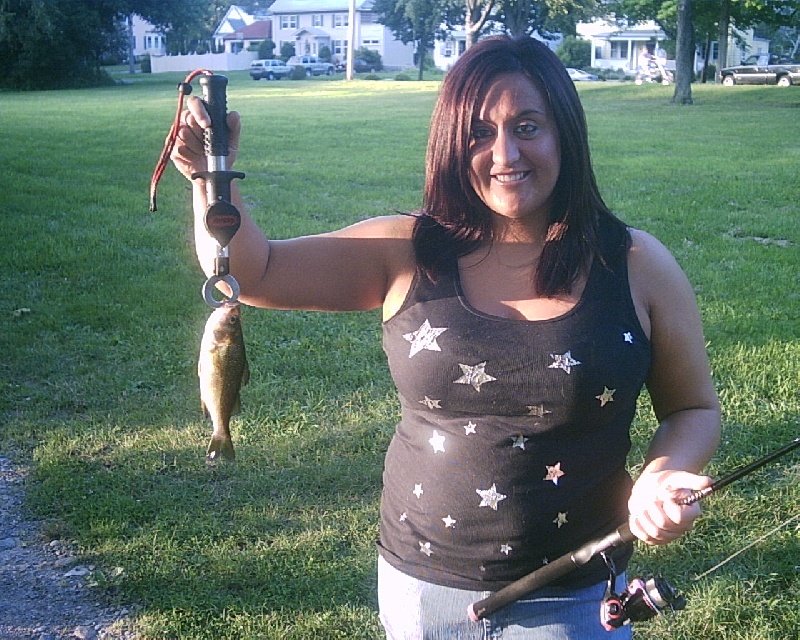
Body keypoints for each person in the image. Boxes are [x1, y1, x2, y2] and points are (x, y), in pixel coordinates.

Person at [171, 35, 721, 640]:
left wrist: (663, 473)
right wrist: (209, 179)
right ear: (451, 146)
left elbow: (692, 407)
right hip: (420, 588)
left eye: (528, 126)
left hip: (576, 591)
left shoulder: (638, 264)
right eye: (478, 134)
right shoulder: (405, 249)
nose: (504, 153)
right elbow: (252, 272)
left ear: (565, 131)